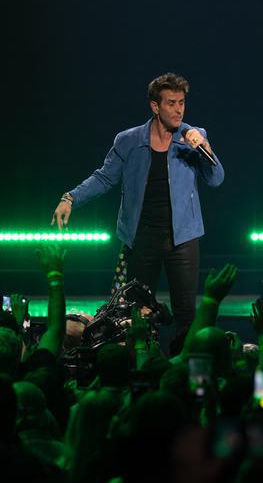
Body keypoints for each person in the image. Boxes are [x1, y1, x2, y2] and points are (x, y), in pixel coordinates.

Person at [51, 73, 224, 349]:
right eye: (171, 103)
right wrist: (70, 198)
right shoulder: (129, 140)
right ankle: (140, 365)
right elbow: (104, 177)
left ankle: (184, 368)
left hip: (183, 238)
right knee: (136, 315)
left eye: (181, 102)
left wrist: (205, 149)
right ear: (155, 106)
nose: (178, 110)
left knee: (186, 314)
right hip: (142, 237)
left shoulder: (193, 136)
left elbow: (216, 179)